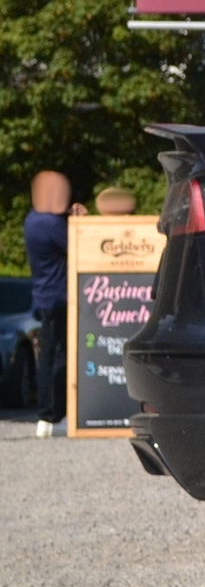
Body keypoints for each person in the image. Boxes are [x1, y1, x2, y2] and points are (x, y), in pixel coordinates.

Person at [25, 172, 79, 437]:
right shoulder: (49, 223)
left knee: (48, 355)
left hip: (44, 296)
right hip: (60, 297)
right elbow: (78, 243)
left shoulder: (32, 220)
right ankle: (55, 414)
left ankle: (46, 415)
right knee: (59, 356)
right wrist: (79, 220)